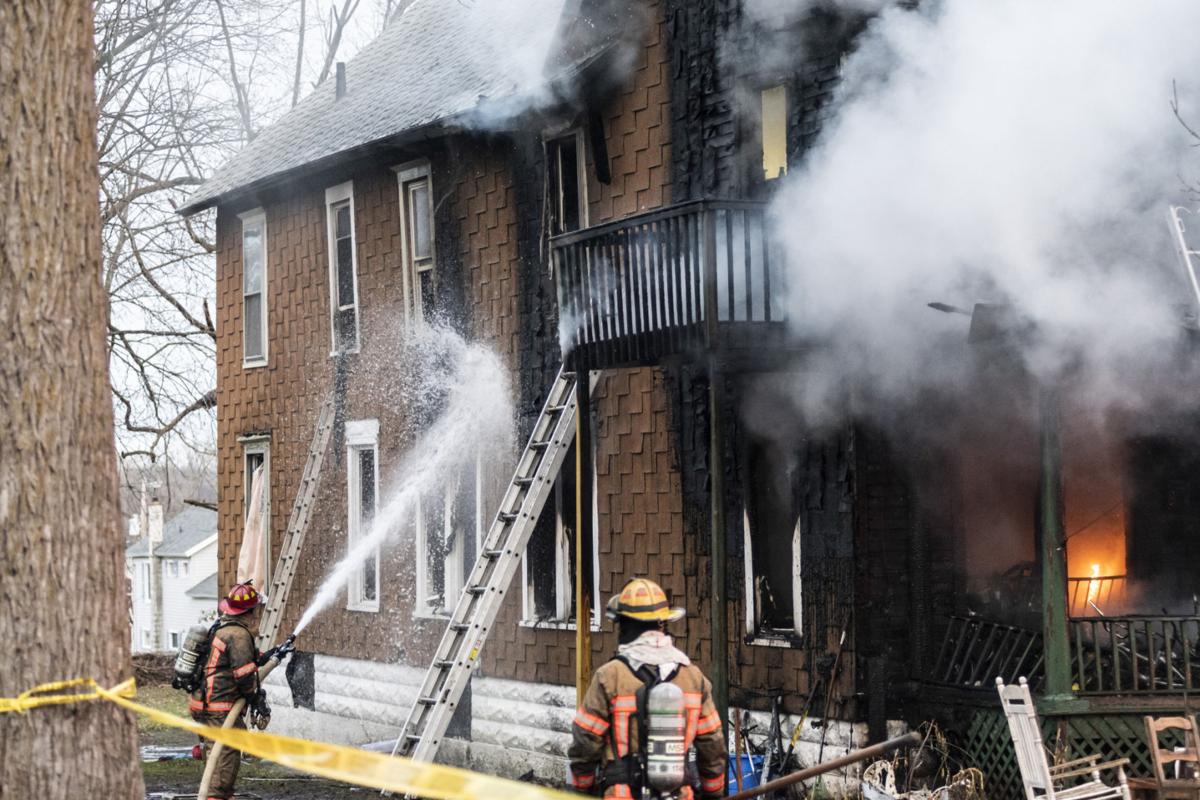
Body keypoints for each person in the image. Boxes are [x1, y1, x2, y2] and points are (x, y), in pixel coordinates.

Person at [568, 578, 727, 799]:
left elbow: (586, 742)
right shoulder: (693, 677)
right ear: (662, 624)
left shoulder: (609, 676)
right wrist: (714, 792)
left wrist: (580, 790)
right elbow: (713, 746)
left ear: (623, 624)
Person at [189, 581, 274, 800]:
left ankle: (219, 794)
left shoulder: (222, 627)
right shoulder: (238, 634)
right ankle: (216, 796)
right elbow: (244, 676)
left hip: (203, 701)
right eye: (256, 610)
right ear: (250, 611)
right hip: (220, 706)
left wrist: (266, 658)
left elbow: (230, 665)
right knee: (225, 756)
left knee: (215, 755)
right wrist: (256, 698)